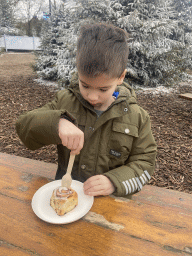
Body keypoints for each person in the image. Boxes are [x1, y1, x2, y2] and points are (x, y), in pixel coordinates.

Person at [16, 22, 157, 198]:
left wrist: (114, 182)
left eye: (103, 89)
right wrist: (57, 122)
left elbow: (145, 163)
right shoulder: (65, 101)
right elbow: (23, 127)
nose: (92, 96)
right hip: (64, 197)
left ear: (121, 77)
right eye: (85, 85)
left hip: (111, 205)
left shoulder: (137, 117)